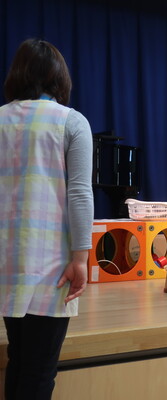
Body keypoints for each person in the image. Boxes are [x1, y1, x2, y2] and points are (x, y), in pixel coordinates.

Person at [0, 38, 93, 400]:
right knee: (39, 369)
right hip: (52, 262)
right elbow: (80, 194)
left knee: (19, 357)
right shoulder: (71, 121)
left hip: (7, 260)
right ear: (59, 77)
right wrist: (81, 257)